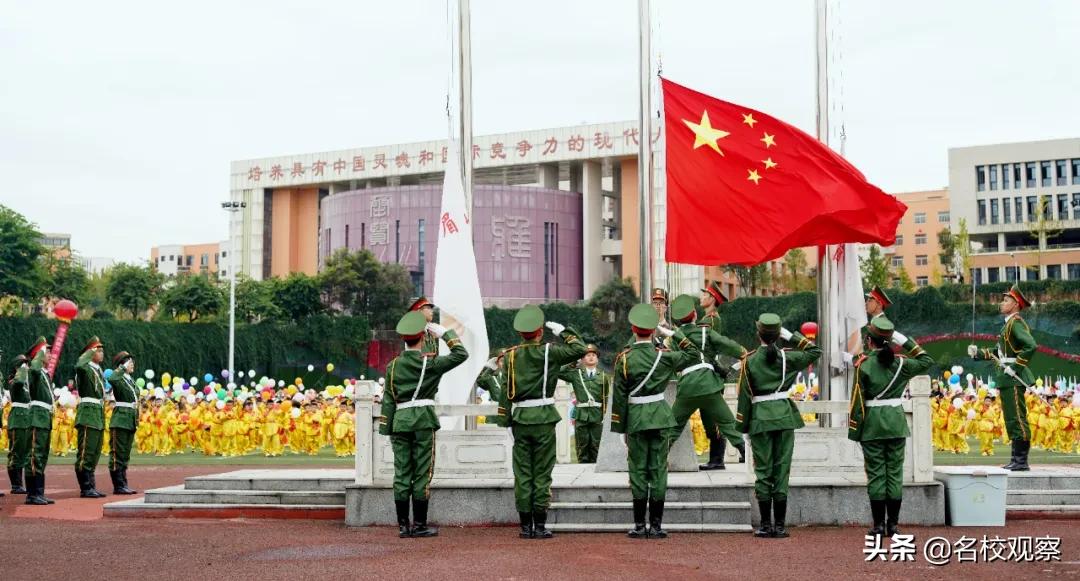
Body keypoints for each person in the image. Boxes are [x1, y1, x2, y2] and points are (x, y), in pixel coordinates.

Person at [494, 304, 586, 539]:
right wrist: (564, 332)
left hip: (521, 420)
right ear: (540, 332)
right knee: (542, 472)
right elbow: (579, 349)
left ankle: (526, 526)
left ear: (520, 333)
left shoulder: (512, 355)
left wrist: (505, 419)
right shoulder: (549, 351)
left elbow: (505, 389)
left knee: (523, 473)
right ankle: (540, 525)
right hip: (544, 417)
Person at [611, 303, 701, 539]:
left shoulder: (625, 359)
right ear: (653, 331)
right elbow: (694, 354)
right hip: (661, 417)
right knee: (658, 470)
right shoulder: (665, 356)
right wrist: (674, 334)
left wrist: (620, 427)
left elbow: (619, 396)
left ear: (633, 328)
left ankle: (640, 526)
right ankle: (657, 526)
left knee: (638, 471)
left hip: (637, 420)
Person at [379, 311, 468, 538]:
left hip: (399, 422)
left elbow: (389, 399)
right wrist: (445, 333)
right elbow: (461, 354)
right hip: (423, 421)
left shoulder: (393, 366)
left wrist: (386, 428)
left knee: (401, 473)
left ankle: (402, 526)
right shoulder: (430, 362)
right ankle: (419, 525)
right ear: (423, 336)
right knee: (421, 473)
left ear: (404, 339)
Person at [735, 314, 821, 538]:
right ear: (778, 334)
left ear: (758, 334)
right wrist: (789, 335)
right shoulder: (786, 358)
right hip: (784, 416)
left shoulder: (750, 361)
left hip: (761, 419)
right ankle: (780, 526)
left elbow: (744, 397)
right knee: (781, 471)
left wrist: (743, 427)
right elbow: (814, 352)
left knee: (763, 472)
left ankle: (765, 525)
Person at [847, 319, 933, 537]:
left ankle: (878, 526)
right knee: (894, 474)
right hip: (895, 423)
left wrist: (855, 430)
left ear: (869, 341)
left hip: (872, 425)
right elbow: (926, 359)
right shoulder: (901, 364)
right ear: (889, 341)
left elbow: (857, 401)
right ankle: (893, 526)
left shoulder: (863, 364)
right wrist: (902, 340)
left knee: (876, 475)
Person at [668, 294, 747, 470]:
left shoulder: (673, 338)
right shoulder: (705, 330)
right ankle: (751, 458)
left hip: (687, 388)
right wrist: (744, 354)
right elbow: (728, 345)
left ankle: (655, 463)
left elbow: (669, 359)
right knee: (728, 424)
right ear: (695, 315)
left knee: (672, 428)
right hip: (710, 386)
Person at [968, 284, 1037, 471]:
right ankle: (1016, 459)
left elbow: (1030, 346)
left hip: (1014, 376)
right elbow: (998, 353)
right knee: (1011, 418)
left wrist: (1015, 367)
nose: (1002, 303)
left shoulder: (1015, 323)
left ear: (1015, 304)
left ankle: (1021, 461)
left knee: (1017, 418)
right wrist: (978, 353)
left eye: (1006, 300)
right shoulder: (1008, 324)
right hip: (1007, 377)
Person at [557, 344, 608, 463]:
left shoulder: (604, 376)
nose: (591, 357)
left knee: (596, 446)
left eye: (593, 355)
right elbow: (559, 372)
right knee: (582, 446)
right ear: (583, 359)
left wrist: (604, 415)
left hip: (597, 416)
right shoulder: (576, 374)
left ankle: (596, 476)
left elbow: (605, 398)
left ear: (597, 359)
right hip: (581, 415)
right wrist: (574, 361)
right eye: (587, 355)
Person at [20, 337, 56, 505]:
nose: (49, 354)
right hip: (36, 418)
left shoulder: (43, 373)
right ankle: (32, 494)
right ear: (38, 355)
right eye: (46, 351)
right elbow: (33, 367)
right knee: (34, 456)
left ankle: (39, 492)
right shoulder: (34, 371)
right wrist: (38, 355)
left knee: (41, 456)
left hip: (44, 418)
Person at [73, 336, 108, 498]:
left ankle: (91, 485)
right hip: (88, 413)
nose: (101, 353)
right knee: (86, 452)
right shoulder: (85, 368)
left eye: (101, 350)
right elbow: (78, 365)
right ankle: (85, 487)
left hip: (97, 414)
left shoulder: (96, 370)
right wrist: (88, 352)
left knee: (94, 452)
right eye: (97, 350)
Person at [108, 351, 140, 494]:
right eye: (129, 363)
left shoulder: (130, 380)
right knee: (117, 454)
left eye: (132, 362)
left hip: (129, 420)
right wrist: (121, 368)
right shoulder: (119, 378)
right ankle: (118, 485)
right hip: (120, 420)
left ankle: (123, 483)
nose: (132, 364)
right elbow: (112, 378)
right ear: (122, 364)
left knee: (125, 454)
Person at [6, 354, 30, 494]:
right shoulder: (14, 381)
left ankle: (20, 484)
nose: (26, 367)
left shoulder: (26, 382)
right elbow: (19, 382)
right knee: (16, 452)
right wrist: (21, 370)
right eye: (23, 364)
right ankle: (16, 485)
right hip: (18, 419)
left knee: (25, 452)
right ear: (17, 367)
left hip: (26, 419)